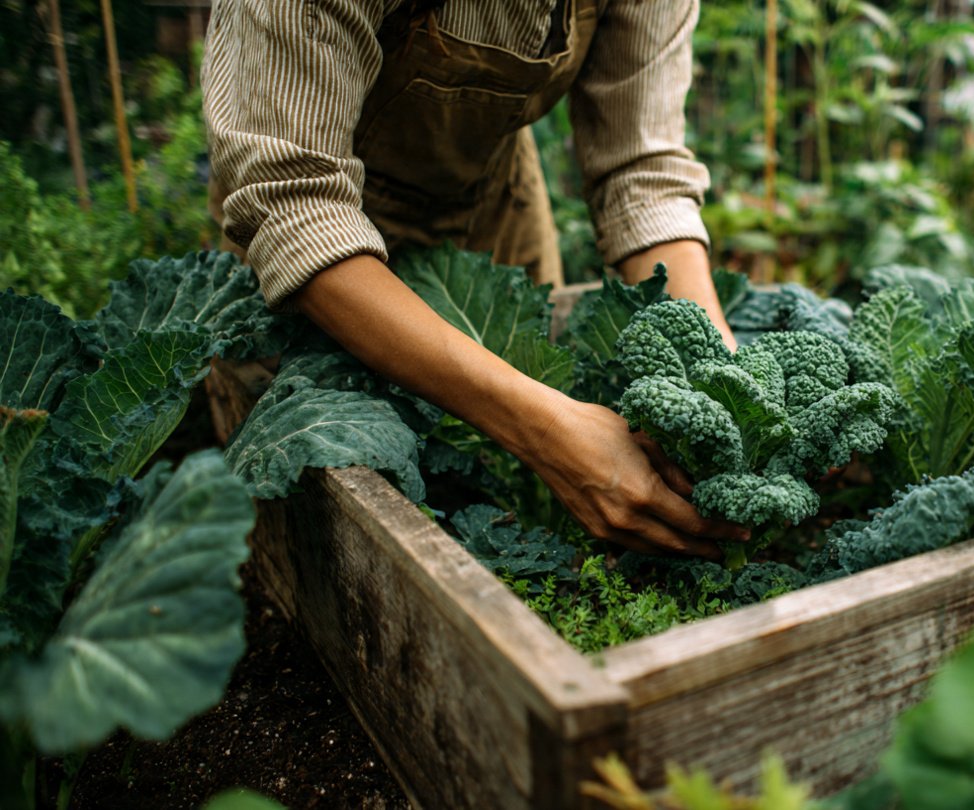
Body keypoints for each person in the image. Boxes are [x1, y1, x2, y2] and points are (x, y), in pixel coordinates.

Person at [202, 0, 749, 561]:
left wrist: (721, 375)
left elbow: (641, 171)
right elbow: (295, 205)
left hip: (493, 193)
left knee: (529, 417)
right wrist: (547, 430)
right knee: (325, 510)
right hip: (317, 231)